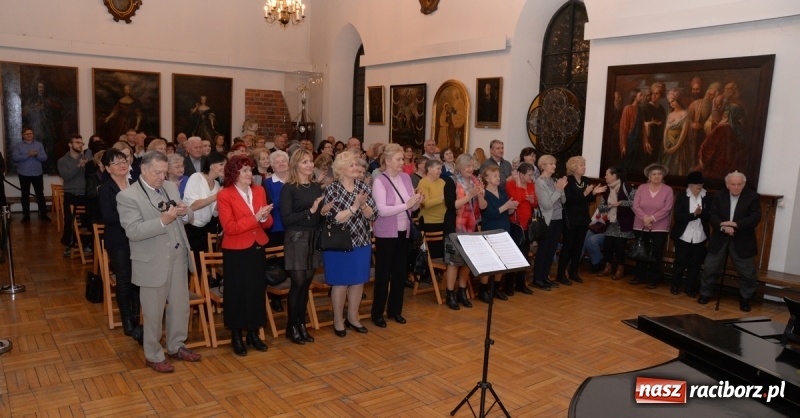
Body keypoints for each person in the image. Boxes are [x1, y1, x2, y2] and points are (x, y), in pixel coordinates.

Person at [116, 151, 200, 373]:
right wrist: (163, 221)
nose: (162, 177)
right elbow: (133, 231)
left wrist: (184, 213)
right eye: (157, 172)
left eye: (165, 172)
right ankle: (153, 354)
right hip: (152, 261)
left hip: (178, 256)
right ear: (143, 169)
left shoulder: (170, 187)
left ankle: (176, 345)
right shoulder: (128, 196)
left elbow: (189, 213)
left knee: (180, 306)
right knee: (153, 312)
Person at [216, 155, 274, 356]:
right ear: (234, 173)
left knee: (256, 290)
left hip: (257, 247)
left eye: (250, 170)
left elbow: (267, 224)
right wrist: (255, 218)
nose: (250, 174)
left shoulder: (259, 190)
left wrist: (265, 217)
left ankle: (253, 333)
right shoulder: (225, 195)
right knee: (236, 292)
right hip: (235, 250)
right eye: (245, 171)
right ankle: (236, 336)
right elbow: (229, 228)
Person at [322, 151, 377, 337]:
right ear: (341, 169)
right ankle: (338, 321)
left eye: (356, 165)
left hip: (361, 241)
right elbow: (336, 218)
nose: (356, 168)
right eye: (351, 165)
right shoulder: (332, 189)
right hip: (339, 243)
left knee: (358, 281)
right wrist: (354, 207)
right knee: (340, 283)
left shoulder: (363, 187)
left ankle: (353, 318)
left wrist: (363, 206)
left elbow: (373, 215)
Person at [280, 149, 332, 344]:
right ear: (295, 166)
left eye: (310, 161)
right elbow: (286, 219)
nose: (310, 165)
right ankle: (292, 326)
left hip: (313, 238)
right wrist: (310, 211)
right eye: (304, 162)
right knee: (298, 284)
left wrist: (323, 212)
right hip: (296, 238)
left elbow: (317, 217)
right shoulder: (289, 188)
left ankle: (301, 324)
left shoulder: (315, 187)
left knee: (306, 285)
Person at [372, 144, 423, 322]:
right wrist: (407, 205)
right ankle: (377, 313)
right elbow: (382, 210)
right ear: (387, 161)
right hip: (386, 234)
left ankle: (395, 310)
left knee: (400, 273)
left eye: (403, 159)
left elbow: (411, 207)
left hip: (404, 232)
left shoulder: (406, 178)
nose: (403, 162)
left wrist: (416, 202)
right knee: (383, 274)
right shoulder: (380, 180)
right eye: (399, 159)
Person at [698, 171, 761, 312]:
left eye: (739, 184)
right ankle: (705, 293)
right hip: (720, 237)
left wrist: (736, 225)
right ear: (727, 185)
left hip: (743, 239)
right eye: (733, 184)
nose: (736, 187)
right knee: (710, 267)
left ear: (743, 184)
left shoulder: (753, 197)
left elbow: (755, 217)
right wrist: (723, 226)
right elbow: (712, 214)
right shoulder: (718, 195)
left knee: (747, 272)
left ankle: (745, 298)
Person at [98, 149, 141, 342]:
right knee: (124, 280)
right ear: (107, 168)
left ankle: (138, 317)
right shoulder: (105, 188)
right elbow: (108, 217)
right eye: (116, 162)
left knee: (138, 280)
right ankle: (127, 320)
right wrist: (132, 212)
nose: (122, 164)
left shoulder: (136, 184)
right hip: (118, 239)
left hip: (139, 237)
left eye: (123, 160)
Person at [556, 156, 607, 285]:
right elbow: (568, 200)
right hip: (570, 219)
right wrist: (585, 193)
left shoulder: (586, 180)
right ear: (573, 167)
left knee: (578, 247)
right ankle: (561, 274)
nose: (584, 167)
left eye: (584, 165)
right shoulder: (568, 181)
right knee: (568, 247)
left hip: (583, 219)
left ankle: (574, 272)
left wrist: (593, 193)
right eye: (581, 165)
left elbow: (588, 200)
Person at [442, 154, 482, 310]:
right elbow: (452, 205)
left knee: (467, 262)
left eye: (472, 166)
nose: (470, 169)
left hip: (471, 226)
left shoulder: (475, 181)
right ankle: (450, 294)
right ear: (459, 166)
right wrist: (469, 195)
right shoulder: (451, 181)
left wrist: (479, 194)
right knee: (453, 262)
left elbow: (482, 206)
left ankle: (462, 292)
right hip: (454, 226)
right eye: (467, 166)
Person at [478, 165, 518, 302]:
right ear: (486, 178)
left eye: (498, 176)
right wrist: (506, 206)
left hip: (504, 228)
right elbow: (488, 214)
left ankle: (495, 288)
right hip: (490, 228)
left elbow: (507, 211)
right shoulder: (484, 193)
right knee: (489, 261)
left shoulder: (501, 190)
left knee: (502, 260)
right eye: (494, 176)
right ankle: (483, 290)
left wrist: (511, 208)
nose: (498, 178)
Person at [630, 163, 673, 289]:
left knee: (656, 252)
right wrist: (645, 218)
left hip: (659, 226)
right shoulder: (641, 188)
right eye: (654, 174)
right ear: (649, 176)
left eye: (659, 174)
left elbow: (667, 208)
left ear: (663, 176)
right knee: (641, 250)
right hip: (641, 224)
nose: (657, 176)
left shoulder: (668, 190)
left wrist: (652, 218)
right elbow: (635, 206)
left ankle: (653, 278)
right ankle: (639, 276)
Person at [670, 171, 711, 297]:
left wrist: (701, 213)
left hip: (699, 236)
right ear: (689, 185)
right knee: (680, 262)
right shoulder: (682, 196)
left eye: (700, 185)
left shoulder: (707, 197)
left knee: (695, 264)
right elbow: (678, 216)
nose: (698, 187)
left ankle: (690, 288)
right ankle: (675, 286)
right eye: (696, 185)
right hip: (684, 235)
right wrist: (693, 215)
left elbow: (710, 216)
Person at [183, 153, 227, 268]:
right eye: (221, 164)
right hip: (190, 228)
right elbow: (193, 206)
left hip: (204, 229)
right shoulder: (196, 177)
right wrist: (217, 196)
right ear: (211, 165)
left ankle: (202, 284)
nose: (224, 168)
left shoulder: (217, 184)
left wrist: (223, 198)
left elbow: (214, 212)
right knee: (191, 264)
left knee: (200, 265)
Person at [533, 155, 567, 290]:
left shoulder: (553, 180)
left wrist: (561, 188)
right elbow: (546, 205)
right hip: (548, 220)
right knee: (543, 250)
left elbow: (563, 201)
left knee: (552, 250)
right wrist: (558, 189)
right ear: (543, 166)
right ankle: (537, 279)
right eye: (551, 164)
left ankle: (545, 277)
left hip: (558, 219)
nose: (554, 166)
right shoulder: (540, 182)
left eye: (554, 163)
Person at [263, 150, 290, 313]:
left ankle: (289, 293)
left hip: (292, 228)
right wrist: (288, 194)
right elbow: (271, 204)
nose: (281, 164)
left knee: (290, 262)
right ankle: (275, 298)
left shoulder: (295, 180)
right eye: (277, 162)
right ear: (272, 165)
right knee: (276, 264)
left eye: (284, 161)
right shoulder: (267, 183)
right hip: (275, 228)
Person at [597, 167, 636, 280]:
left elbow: (635, 202)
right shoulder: (607, 189)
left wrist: (621, 203)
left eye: (607, 174)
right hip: (611, 223)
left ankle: (620, 269)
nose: (605, 177)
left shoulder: (627, 187)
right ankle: (607, 267)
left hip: (624, 224)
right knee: (608, 244)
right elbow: (601, 208)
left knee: (619, 245)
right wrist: (611, 205)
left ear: (614, 176)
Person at [504, 163, 537, 295]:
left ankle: (520, 283)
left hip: (527, 224)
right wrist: (518, 185)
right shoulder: (511, 184)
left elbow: (536, 203)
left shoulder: (531, 185)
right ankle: (508, 285)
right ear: (521, 174)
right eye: (529, 175)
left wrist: (531, 200)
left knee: (524, 255)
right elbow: (515, 200)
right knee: (513, 256)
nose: (531, 177)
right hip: (515, 225)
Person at [57, 134, 91, 256]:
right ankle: (69, 244)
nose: (80, 145)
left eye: (82, 143)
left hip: (85, 194)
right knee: (69, 220)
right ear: (70, 145)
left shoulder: (88, 159)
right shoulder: (62, 161)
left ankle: (87, 244)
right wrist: (78, 166)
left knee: (87, 220)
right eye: (77, 142)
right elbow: (66, 176)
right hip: (71, 193)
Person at [12, 127, 50, 222]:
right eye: (27, 134)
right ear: (23, 135)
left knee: (40, 194)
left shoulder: (39, 145)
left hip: (37, 173)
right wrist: (27, 155)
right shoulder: (18, 145)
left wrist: (37, 155)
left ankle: (44, 214)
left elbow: (44, 157)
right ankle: (26, 215)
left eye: (31, 133)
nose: (29, 135)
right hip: (24, 173)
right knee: (25, 195)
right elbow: (15, 158)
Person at [416, 158, 446, 261]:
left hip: (443, 220)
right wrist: (442, 198)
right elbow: (426, 204)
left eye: (441, 169)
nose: (440, 171)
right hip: (429, 222)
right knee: (432, 253)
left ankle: (438, 274)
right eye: (438, 169)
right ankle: (430, 275)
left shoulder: (442, 181)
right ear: (429, 169)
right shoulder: (423, 182)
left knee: (442, 252)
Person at [661, 89, 691, 175]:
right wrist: (665, 145)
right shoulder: (670, 114)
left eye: (673, 101)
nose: (671, 104)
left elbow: (683, 133)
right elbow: (666, 130)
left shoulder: (685, 114)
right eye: (670, 102)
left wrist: (675, 147)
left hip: (679, 146)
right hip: (668, 144)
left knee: (677, 169)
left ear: (679, 100)